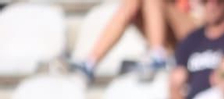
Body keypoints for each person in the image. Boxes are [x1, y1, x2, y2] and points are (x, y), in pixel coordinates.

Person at [68, 0, 196, 80]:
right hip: (174, 36)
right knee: (131, 3)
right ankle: (90, 62)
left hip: (196, 33)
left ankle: (158, 55)